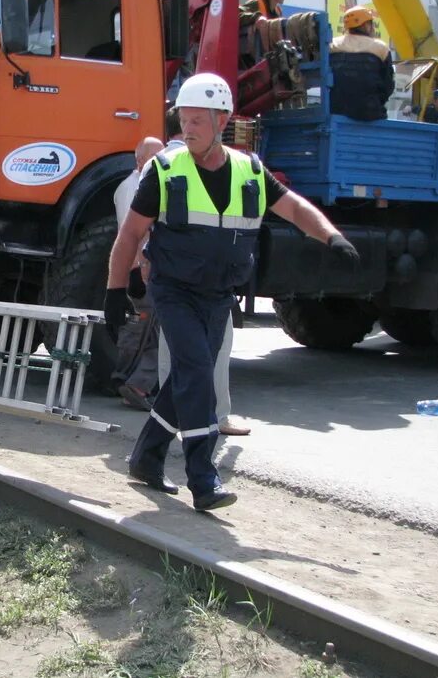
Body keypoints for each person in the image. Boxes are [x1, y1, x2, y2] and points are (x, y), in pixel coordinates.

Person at [104, 73, 359, 512]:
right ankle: (203, 479)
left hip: (219, 296)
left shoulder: (250, 172)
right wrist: (115, 290)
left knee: (186, 377)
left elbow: (294, 208)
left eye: (198, 121)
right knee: (199, 373)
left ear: (222, 119)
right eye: (184, 120)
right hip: (174, 291)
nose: (188, 129)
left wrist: (332, 237)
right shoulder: (165, 170)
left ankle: (146, 457)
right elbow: (130, 235)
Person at [156, 110, 250, 436]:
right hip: (203, 281)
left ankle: (175, 422)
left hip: (175, 280)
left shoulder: (159, 164)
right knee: (211, 352)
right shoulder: (190, 165)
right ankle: (211, 418)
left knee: (176, 354)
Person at [111, 136, 165, 410]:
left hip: (140, 268)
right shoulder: (139, 187)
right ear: (140, 160)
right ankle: (138, 384)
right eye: (155, 156)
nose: (161, 161)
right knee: (157, 332)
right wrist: (137, 270)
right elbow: (133, 233)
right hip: (145, 269)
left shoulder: (128, 186)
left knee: (141, 331)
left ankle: (127, 381)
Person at [328, 5, 395, 121]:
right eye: (371, 24)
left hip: (336, 110)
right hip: (370, 113)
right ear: (365, 25)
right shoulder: (380, 48)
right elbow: (388, 85)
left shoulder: (332, 45)